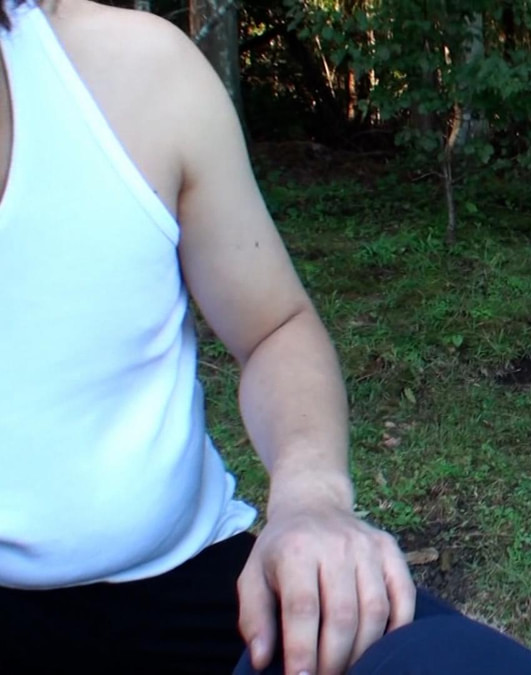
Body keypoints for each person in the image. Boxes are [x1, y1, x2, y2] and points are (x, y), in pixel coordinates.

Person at [0, 1, 414, 673]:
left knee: (437, 655)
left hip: (190, 588)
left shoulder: (140, 74)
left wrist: (311, 499)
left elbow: (275, 328)